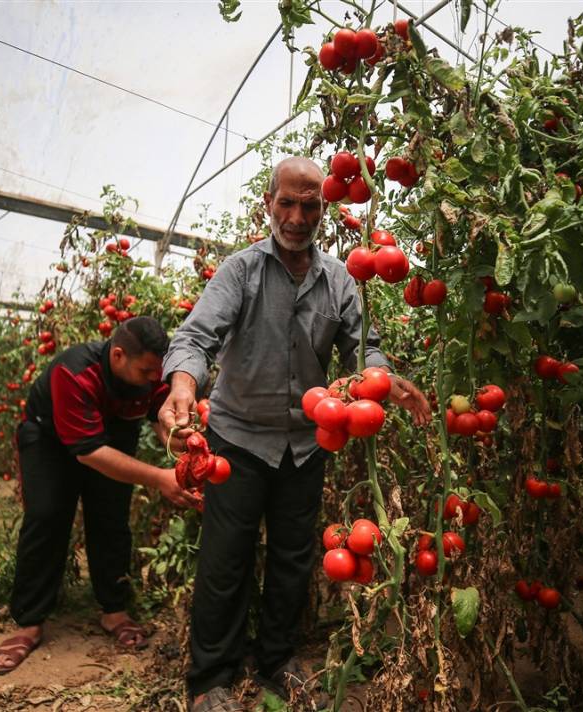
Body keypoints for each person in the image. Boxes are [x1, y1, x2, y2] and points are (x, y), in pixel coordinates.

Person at [158, 156, 432, 711]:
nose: (297, 217)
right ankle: (210, 679)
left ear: (323, 209)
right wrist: (182, 384)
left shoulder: (340, 280)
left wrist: (383, 378)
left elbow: (363, 347)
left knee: (292, 559)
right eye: (287, 203)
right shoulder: (241, 272)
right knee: (225, 559)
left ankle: (276, 661)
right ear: (269, 204)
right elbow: (196, 336)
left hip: (306, 444)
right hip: (238, 439)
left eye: (310, 206)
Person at [0, 316, 201, 674]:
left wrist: (183, 445)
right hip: (51, 442)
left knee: (112, 518)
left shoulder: (150, 375)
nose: (155, 378)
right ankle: (28, 622)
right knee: (47, 517)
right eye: (147, 371)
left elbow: (160, 421)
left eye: (158, 371)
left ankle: (114, 610)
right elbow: (89, 452)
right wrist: (161, 478)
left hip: (113, 433)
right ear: (118, 355)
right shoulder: (73, 372)